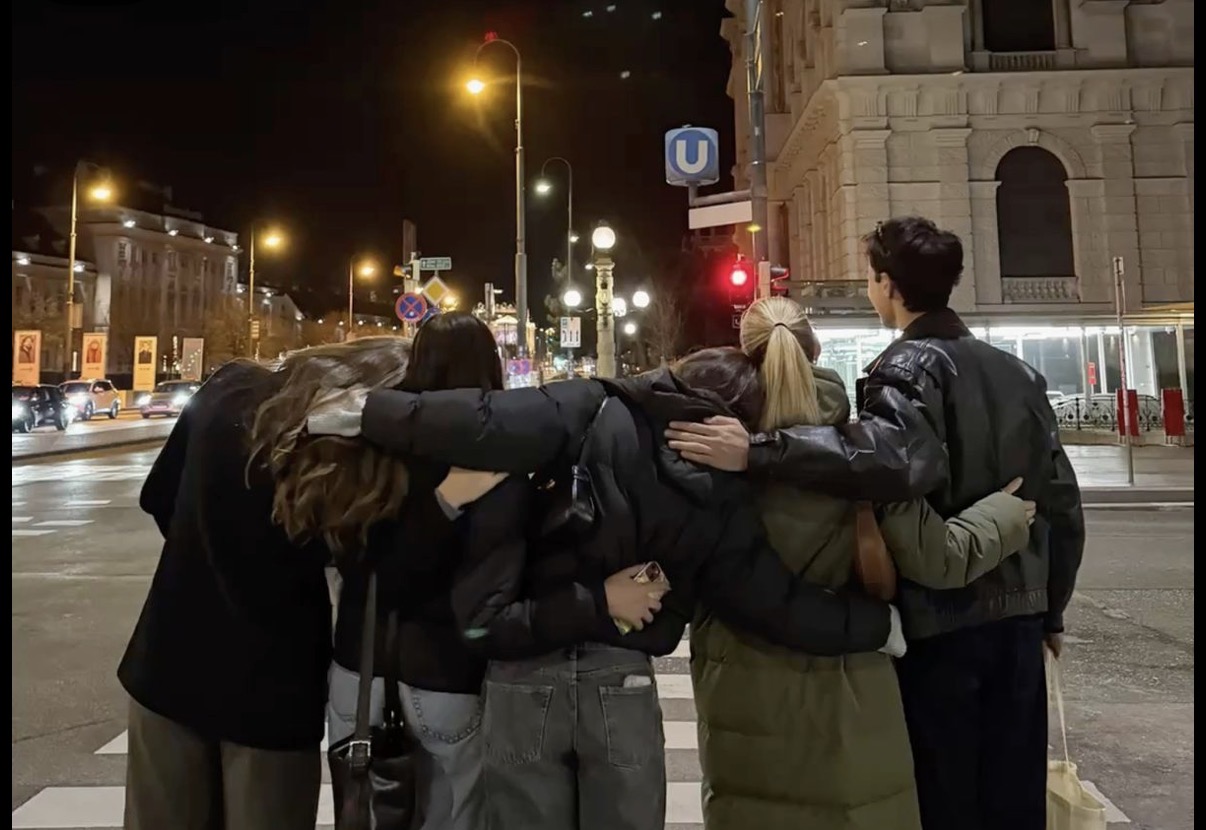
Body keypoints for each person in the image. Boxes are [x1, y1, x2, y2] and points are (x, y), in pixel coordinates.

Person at [307, 351, 908, 830]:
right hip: (619, 679)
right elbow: (774, 602)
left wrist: (369, 411)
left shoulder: (593, 405)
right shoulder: (724, 492)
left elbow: (484, 417)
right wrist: (878, 625)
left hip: (525, 674)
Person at [666, 217, 1086, 830]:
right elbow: (1061, 500)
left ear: (887, 284)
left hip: (937, 626)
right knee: (1013, 798)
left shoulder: (904, 369)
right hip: (1018, 619)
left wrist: (759, 451)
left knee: (941, 799)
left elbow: (889, 464)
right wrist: (1051, 610)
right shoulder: (1018, 374)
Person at [117, 337, 485, 830]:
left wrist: (208, 549)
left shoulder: (227, 386)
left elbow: (158, 499)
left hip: (166, 663)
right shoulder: (344, 452)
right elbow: (383, 570)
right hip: (272, 688)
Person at [324, 313, 509, 830]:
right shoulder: (490, 448)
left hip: (359, 671)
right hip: (446, 670)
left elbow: (353, 558)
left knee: (363, 814)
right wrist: (446, 502)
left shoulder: (369, 442)